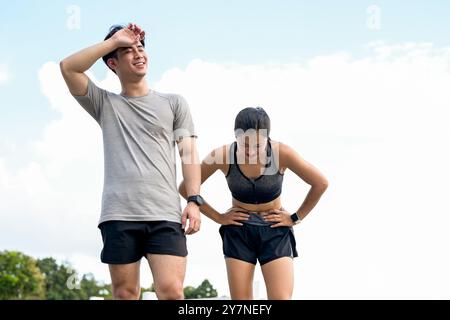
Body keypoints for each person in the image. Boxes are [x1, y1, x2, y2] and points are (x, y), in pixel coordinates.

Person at [60, 23, 202, 300]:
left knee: (172, 291)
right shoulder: (104, 103)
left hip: (164, 213)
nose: (138, 54)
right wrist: (114, 40)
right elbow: (68, 67)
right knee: (125, 294)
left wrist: (194, 200)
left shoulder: (174, 103)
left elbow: (189, 154)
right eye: (128, 50)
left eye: (141, 48)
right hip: (119, 214)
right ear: (112, 62)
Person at [179, 107, 328, 299]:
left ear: (267, 138)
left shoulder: (281, 153)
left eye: (257, 145)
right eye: (244, 145)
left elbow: (320, 183)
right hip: (239, 230)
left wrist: (295, 217)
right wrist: (219, 217)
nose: (250, 151)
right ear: (235, 136)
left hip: (275, 230)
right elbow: (186, 188)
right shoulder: (223, 155)